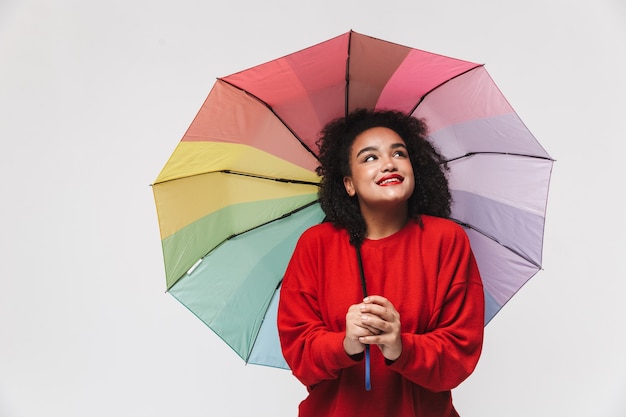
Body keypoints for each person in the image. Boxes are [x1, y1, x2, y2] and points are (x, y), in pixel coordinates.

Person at [277, 109, 485, 417]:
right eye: (370, 157)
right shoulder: (316, 245)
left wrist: (401, 347)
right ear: (349, 184)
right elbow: (300, 357)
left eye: (399, 153)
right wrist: (345, 343)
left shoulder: (446, 240)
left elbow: (459, 355)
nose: (389, 163)